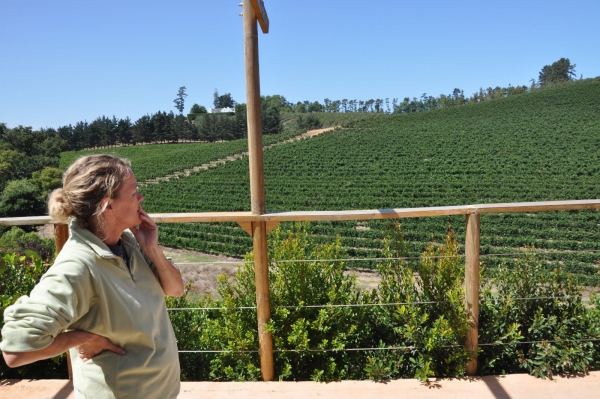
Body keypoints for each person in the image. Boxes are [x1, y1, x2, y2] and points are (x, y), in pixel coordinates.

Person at [1, 154, 184, 399]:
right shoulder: (77, 265)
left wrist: (152, 248)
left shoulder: (127, 242)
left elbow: (175, 289)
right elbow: (16, 350)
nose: (141, 198)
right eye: (133, 192)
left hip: (161, 391)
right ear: (108, 205)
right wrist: (81, 338)